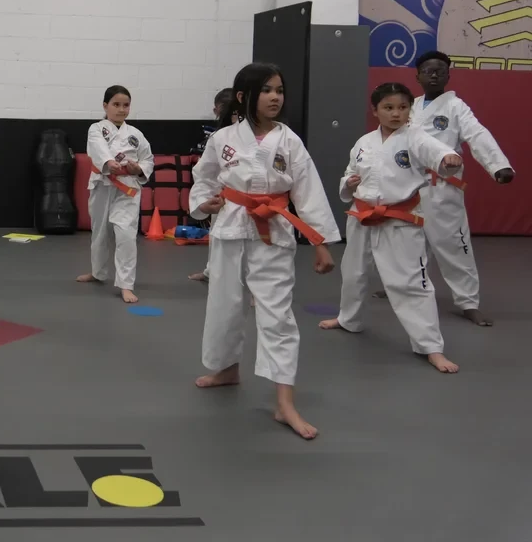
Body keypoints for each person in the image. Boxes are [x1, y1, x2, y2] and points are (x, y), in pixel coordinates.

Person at [189, 63, 339, 440]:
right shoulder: (222, 137)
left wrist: (320, 244)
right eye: (268, 90)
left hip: (273, 231)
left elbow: (309, 192)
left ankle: (284, 401)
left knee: (277, 313)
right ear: (244, 97)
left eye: (279, 90)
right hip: (229, 228)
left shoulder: (289, 142)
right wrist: (202, 203)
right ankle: (226, 369)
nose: (276, 97)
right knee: (224, 303)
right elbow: (203, 177)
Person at [319, 83, 464, 373]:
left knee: (411, 282)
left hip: (399, 219)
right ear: (375, 111)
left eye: (402, 107)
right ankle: (350, 319)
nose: (396, 113)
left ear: (410, 110)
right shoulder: (363, 142)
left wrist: (449, 160)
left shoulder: (417, 138)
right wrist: (348, 184)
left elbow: (440, 154)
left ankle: (430, 347)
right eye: (388, 107)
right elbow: (350, 173)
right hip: (361, 216)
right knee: (354, 274)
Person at [373, 51, 515, 327]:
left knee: (453, 245)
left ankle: (468, 301)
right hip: (408, 187)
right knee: (405, 243)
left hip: (442, 188)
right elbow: (390, 140)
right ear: (417, 76)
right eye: (428, 70)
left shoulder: (456, 107)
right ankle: (401, 287)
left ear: (449, 75)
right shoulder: (407, 106)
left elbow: (477, 134)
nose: (434, 74)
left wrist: (498, 166)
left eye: (440, 70)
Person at [75, 85, 154, 303]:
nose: (121, 110)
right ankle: (98, 272)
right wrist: (110, 163)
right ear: (105, 105)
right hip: (102, 183)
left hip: (127, 189)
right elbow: (98, 148)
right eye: (116, 104)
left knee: (126, 235)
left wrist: (139, 169)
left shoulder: (136, 135)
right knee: (99, 232)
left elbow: (148, 159)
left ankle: (126, 284)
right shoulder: (96, 129)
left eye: (125, 105)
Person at [189, 87, 236, 283]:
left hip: (255, 203)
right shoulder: (218, 137)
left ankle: (252, 288)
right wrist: (202, 201)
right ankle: (210, 272)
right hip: (223, 196)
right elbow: (203, 173)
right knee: (216, 238)